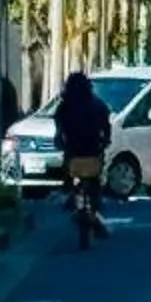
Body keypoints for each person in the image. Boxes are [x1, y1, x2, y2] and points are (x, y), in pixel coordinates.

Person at [52, 69, 113, 236]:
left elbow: (59, 128)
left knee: (69, 173)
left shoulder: (64, 106)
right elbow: (106, 127)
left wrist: (60, 139)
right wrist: (105, 141)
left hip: (73, 151)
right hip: (93, 150)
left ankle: (70, 195)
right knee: (94, 182)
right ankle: (93, 209)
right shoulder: (97, 105)